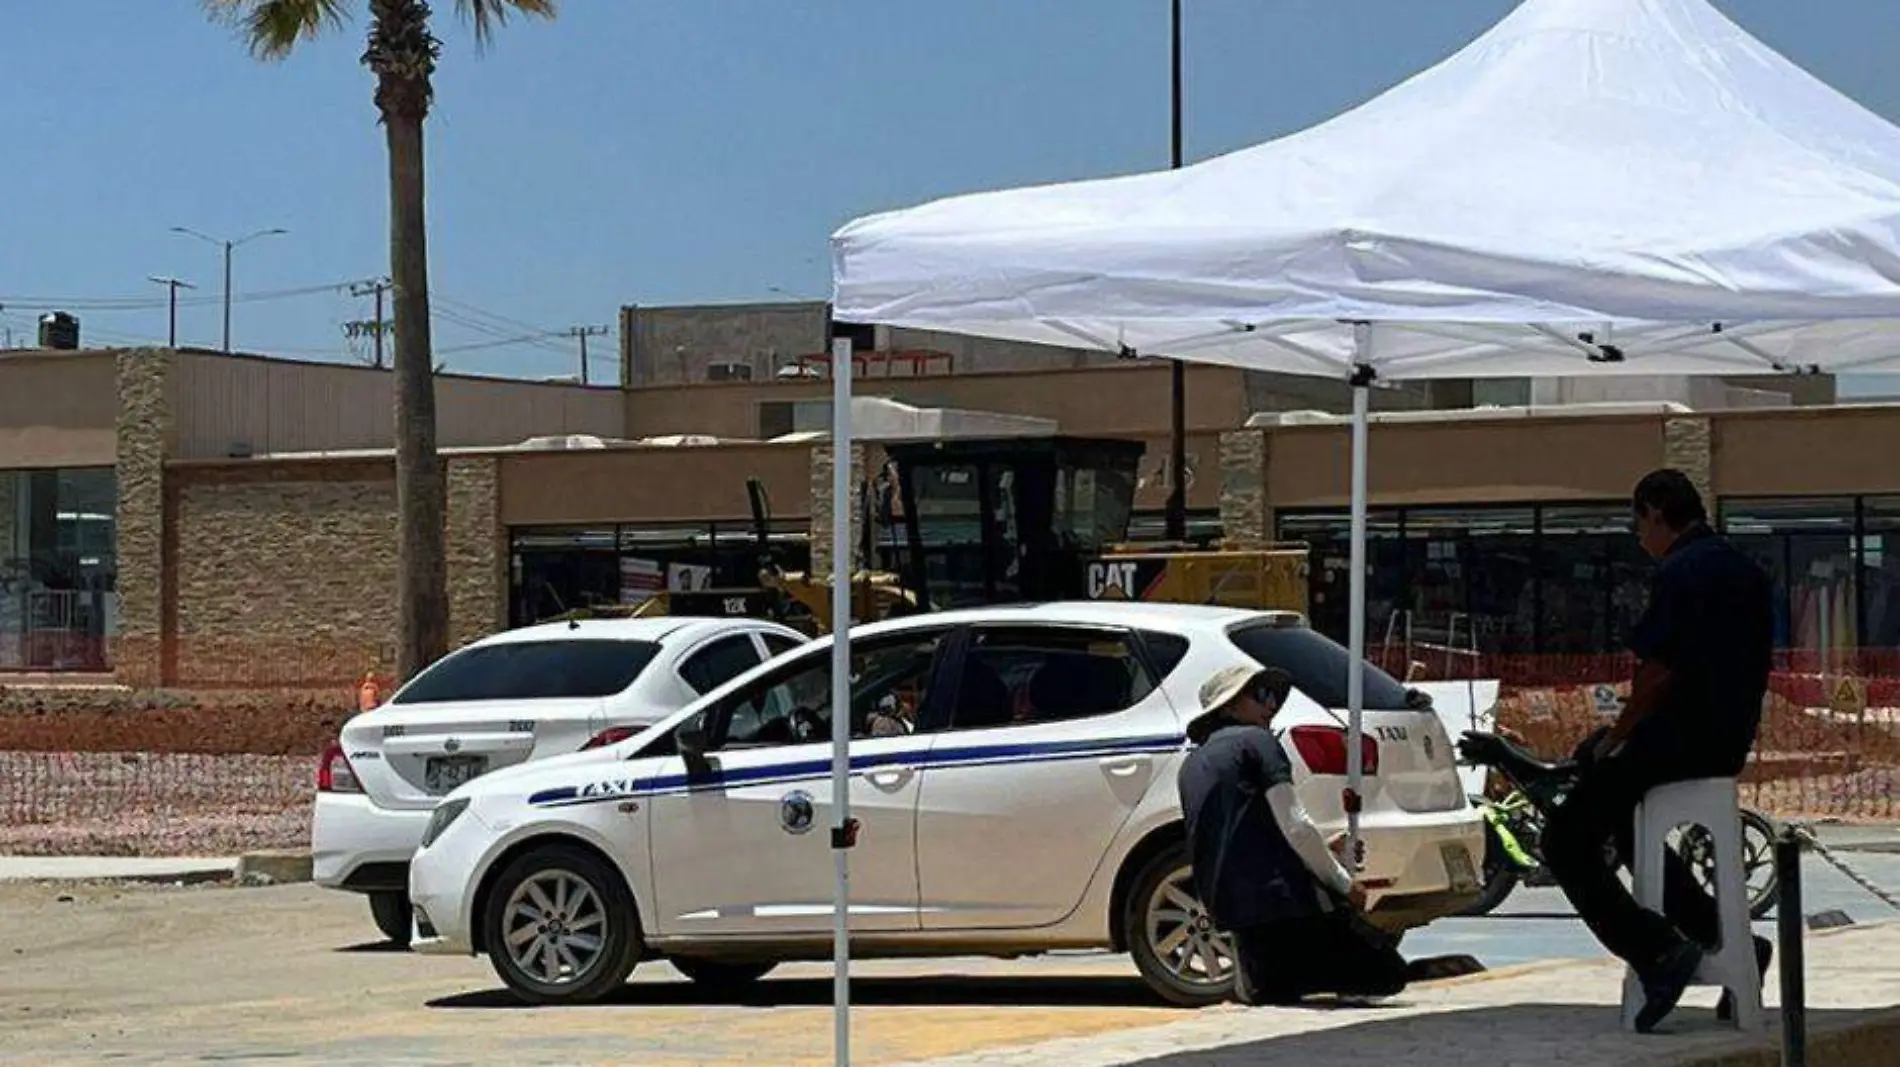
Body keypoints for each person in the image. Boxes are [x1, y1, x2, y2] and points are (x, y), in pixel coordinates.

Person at [1541, 469, 1775, 1033]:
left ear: (1653, 512)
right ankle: (1723, 937)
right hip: (1726, 740)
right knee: (1625, 827)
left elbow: (1658, 672)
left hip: (1676, 739)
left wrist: (1615, 737)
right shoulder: (1746, 569)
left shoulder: (1680, 571)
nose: (1638, 535)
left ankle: (1656, 951)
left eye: (1637, 522)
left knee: (1566, 839)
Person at [1177, 663, 1409, 1006]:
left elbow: (1239, 839)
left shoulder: (1190, 765)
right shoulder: (1258, 742)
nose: (1271, 705)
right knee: (1389, 975)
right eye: (1261, 695)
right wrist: (1345, 884)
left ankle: (1266, 979)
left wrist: (1322, 851)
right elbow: (1296, 825)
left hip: (1232, 913)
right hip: (1283, 905)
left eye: (1274, 698)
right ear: (1228, 706)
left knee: (1276, 986)